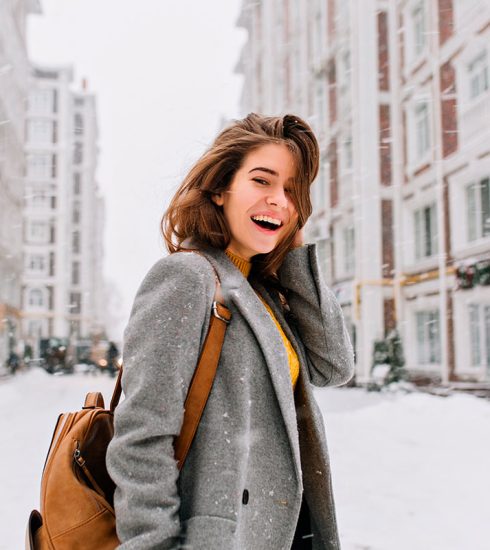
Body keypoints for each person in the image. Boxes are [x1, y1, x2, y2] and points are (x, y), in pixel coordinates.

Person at [107, 113, 355, 549]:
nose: (279, 200)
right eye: (263, 181)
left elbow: (334, 365)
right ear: (221, 189)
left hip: (287, 534)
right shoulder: (188, 278)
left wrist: (293, 251)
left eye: (292, 191)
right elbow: (142, 439)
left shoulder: (264, 294)